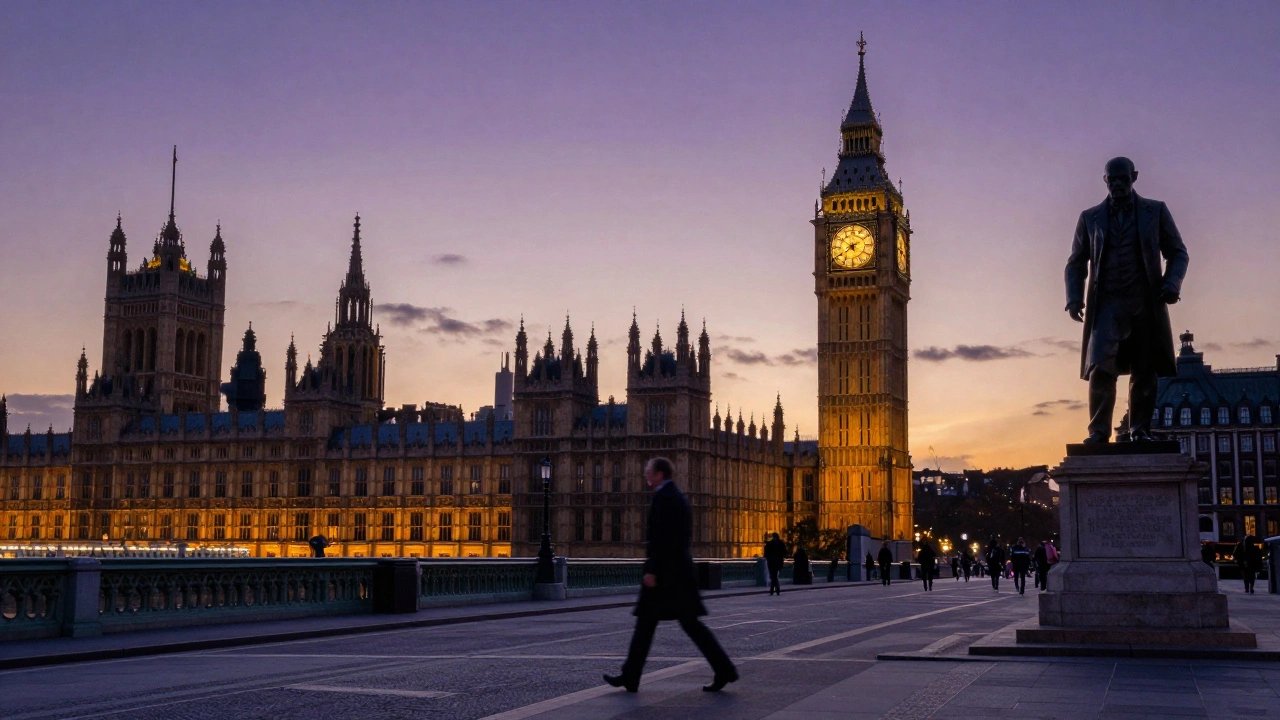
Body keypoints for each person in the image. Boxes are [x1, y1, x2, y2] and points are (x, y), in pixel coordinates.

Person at [1064, 156, 1189, 444]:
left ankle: (1140, 430)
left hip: (1144, 304)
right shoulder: (1089, 217)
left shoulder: (1155, 211)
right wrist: (1073, 298)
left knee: (1145, 370)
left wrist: (1171, 284)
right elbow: (1076, 262)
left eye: (1123, 178)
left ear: (1134, 177)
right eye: (1112, 179)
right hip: (1106, 306)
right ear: (1105, 180)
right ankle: (1098, 431)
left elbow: (1178, 252)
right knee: (1100, 367)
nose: (1118, 184)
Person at [605, 457, 737, 693]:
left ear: (659, 474)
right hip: (675, 573)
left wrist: (653, 570)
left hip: (669, 576)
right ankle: (630, 676)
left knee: (681, 626)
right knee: (654, 625)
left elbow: (665, 538)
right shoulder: (673, 496)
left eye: (648, 471)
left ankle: (724, 669)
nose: (645, 475)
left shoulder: (667, 498)